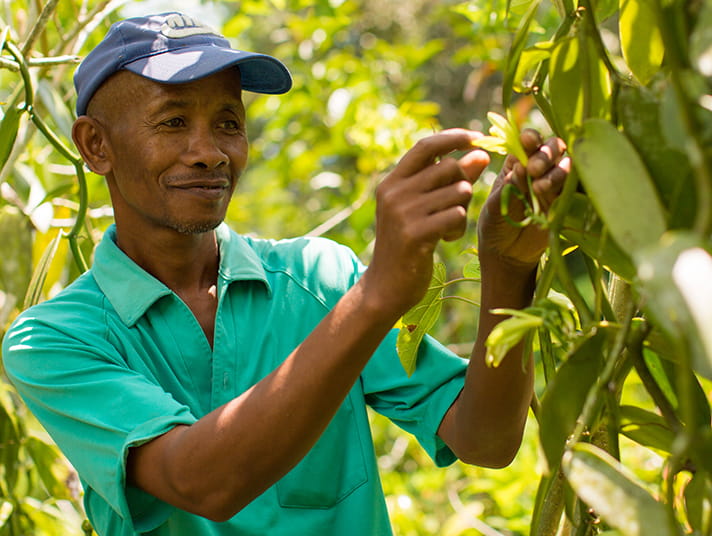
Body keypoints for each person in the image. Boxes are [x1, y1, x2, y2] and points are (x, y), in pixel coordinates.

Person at [1, 11, 570, 536]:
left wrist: (508, 270)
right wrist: (376, 296)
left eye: (228, 122)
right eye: (172, 122)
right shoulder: (55, 339)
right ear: (95, 145)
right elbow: (204, 482)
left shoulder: (320, 279)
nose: (209, 152)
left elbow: (486, 440)